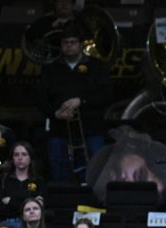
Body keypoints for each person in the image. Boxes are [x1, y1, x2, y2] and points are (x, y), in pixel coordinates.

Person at [36, 22, 112, 182]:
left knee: (95, 171)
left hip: (91, 130)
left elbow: (107, 95)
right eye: (65, 42)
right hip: (59, 130)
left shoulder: (97, 66)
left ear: (81, 44)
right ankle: (61, 205)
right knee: (58, 169)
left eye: (72, 42)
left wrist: (81, 101)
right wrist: (56, 113)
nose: (69, 46)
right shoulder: (51, 69)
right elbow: (40, 99)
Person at [0, 142, 46, 225]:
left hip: (31, 224)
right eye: (16, 155)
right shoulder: (3, 180)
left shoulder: (38, 181)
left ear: (30, 158)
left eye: (24, 154)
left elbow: (38, 207)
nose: (20, 158)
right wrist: (27, 199)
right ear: (12, 158)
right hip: (7, 223)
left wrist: (11, 201)